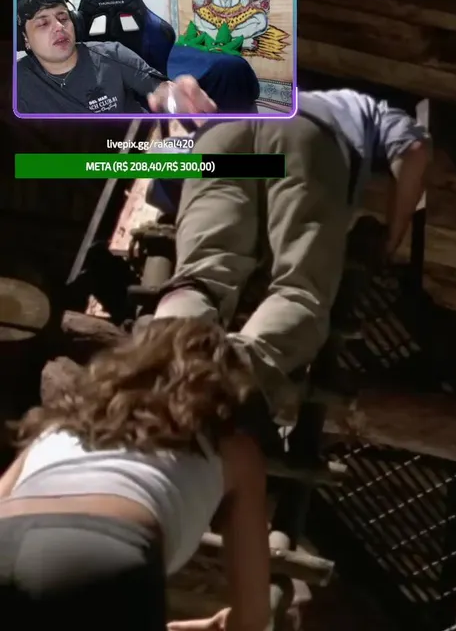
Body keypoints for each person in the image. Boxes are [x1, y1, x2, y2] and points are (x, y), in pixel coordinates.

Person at [154, 90, 433, 410]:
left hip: (220, 135)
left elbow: (162, 154)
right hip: (305, 137)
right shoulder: (369, 107)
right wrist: (390, 241)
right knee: (299, 293)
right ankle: (227, 388)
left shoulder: (255, 93)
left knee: (199, 279)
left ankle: (158, 368)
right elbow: (416, 150)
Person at [0, 317, 269, 629]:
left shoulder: (62, 425)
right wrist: (225, 623)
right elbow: (253, 617)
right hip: (104, 554)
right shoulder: (233, 449)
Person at [15, 0, 216, 115]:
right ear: (24, 39)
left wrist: (177, 99)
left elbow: (159, 88)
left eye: (63, 18)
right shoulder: (17, 80)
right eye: (43, 24)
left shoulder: (112, 54)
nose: (59, 27)